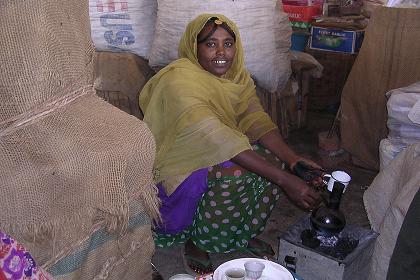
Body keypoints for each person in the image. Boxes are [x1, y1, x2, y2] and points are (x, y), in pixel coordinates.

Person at [139, 14, 322, 275]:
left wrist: (292, 160)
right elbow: (214, 136)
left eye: (228, 43)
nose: (221, 53)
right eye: (210, 44)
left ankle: (238, 232)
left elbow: (254, 119)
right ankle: (200, 240)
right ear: (195, 47)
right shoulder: (178, 80)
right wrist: (285, 179)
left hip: (218, 149)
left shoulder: (237, 78)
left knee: (274, 161)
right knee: (237, 173)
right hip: (177, 169)